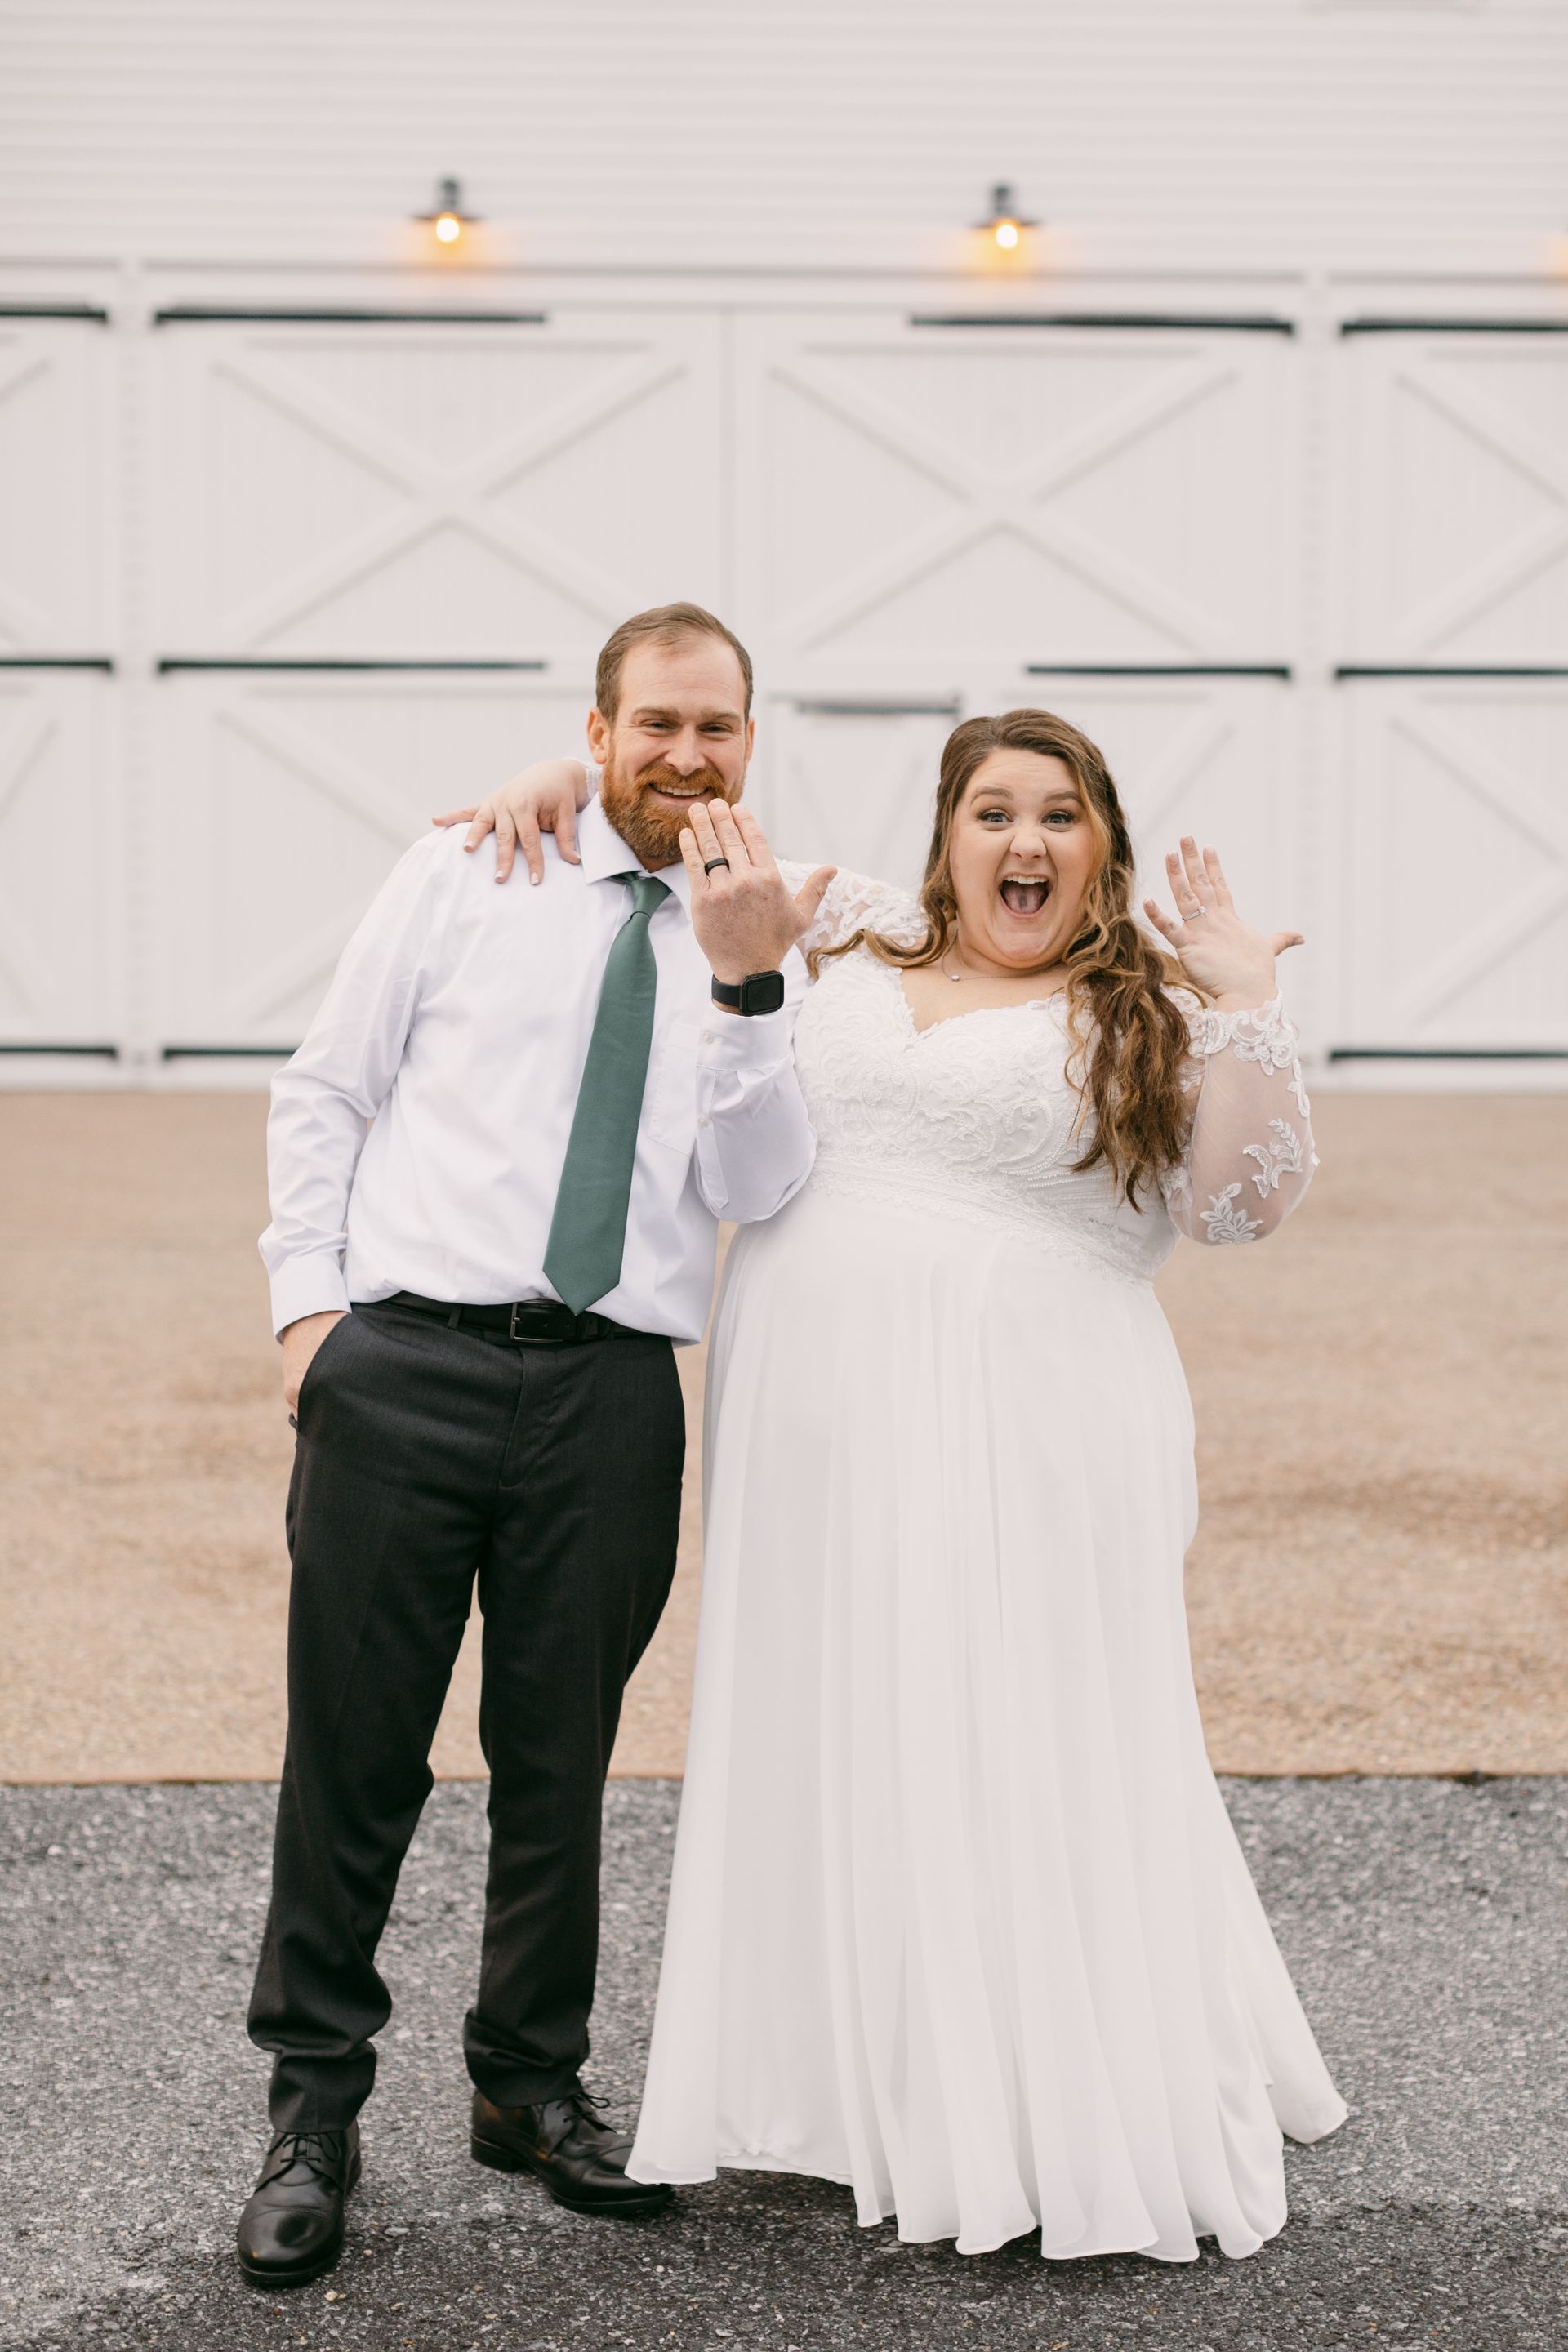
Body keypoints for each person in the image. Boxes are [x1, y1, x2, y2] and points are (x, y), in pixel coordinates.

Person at [444, 707, 1347, 2263]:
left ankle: (1027, 2092)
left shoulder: (1144, 1008)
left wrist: (1249, 1009)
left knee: (1016, 1719)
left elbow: (1241, 1209)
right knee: (850, 1712)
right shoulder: (845, 925)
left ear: (1102, 847)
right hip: (818, 1426)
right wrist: (559, 780)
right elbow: (674, 853)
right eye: (992, 813)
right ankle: (863, 2084)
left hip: (1035, 1422)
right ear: (945, 838)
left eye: (1058, 819)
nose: (1024, 844)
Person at [238, 603, 835, 2290]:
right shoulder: (467, 869)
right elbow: (324, 1089)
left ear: (748, 742)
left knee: (560, 1762)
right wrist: (310, 1324)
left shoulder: (772, 927)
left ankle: (528, 2086)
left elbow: (764, 1186)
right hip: (405, 1364)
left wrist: (746, 980)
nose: (688, 755)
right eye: (657, 723)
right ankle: (312, 2106)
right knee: (353, 1754)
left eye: (718, 727)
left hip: (611, 1392)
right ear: (599, 729)